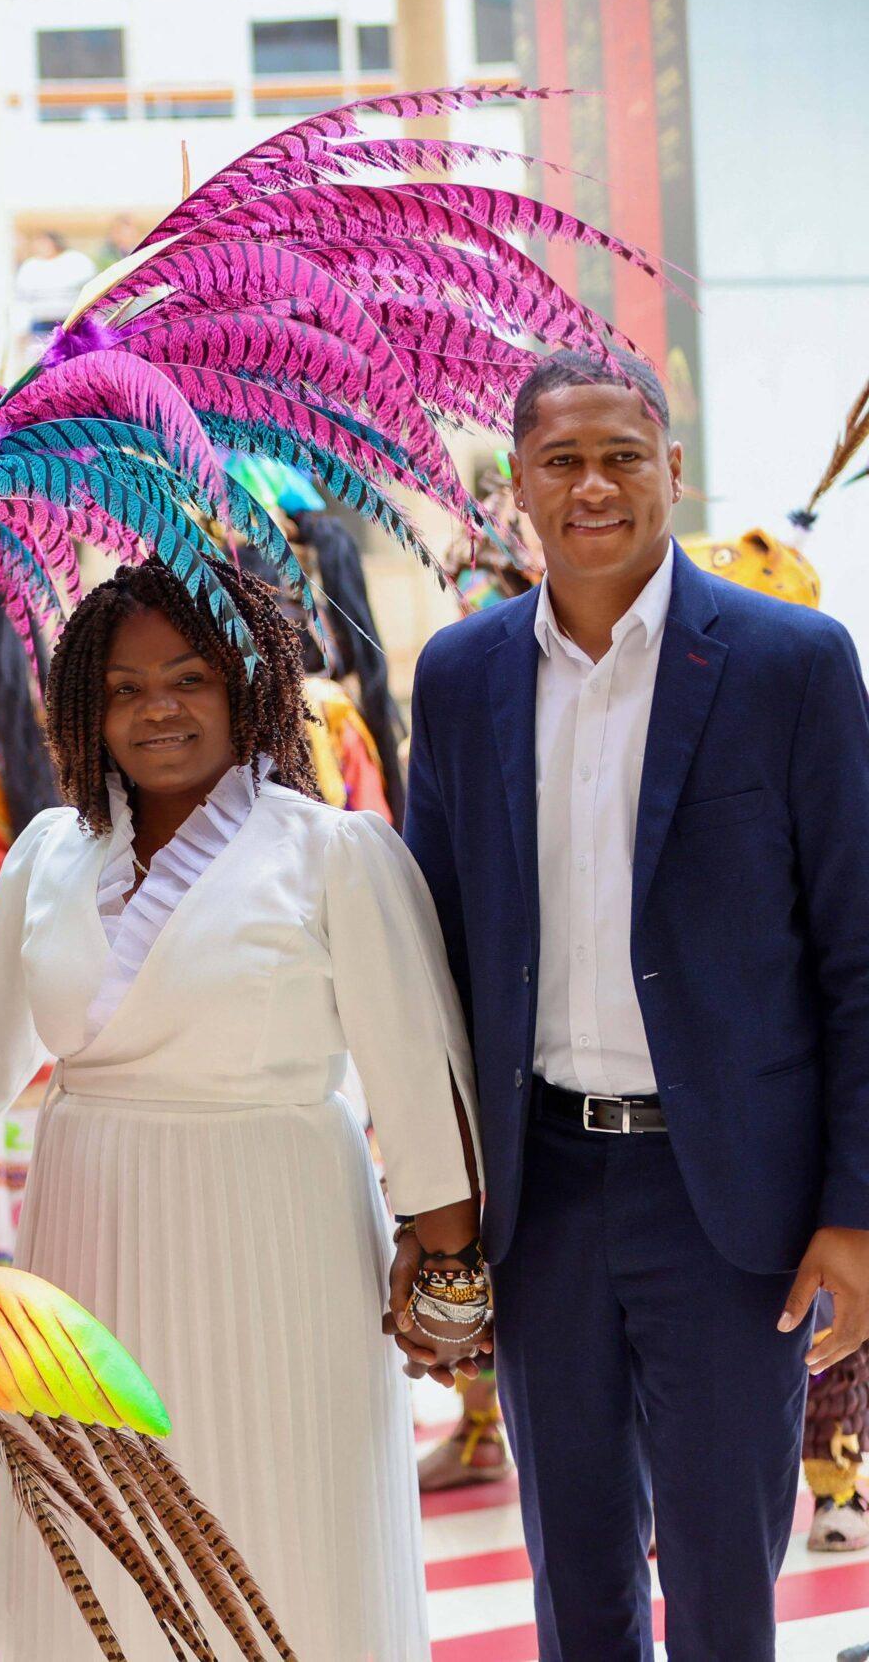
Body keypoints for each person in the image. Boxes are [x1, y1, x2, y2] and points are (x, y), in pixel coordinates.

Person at [0, 558, 483, 1661]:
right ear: (87, 708)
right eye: (125, 689)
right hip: (87, 1239)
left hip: (284, 1242)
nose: (158, 710)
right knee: (98, 1539)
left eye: (187, 679)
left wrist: (449, 1264)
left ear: (246, 686)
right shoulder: (47, 854)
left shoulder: (331, 853)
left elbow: (416, 1070)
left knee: (286, 1521)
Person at [403, 347, 869, 1660]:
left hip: (728, 1201)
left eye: (622, 456)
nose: (594, 484)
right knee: (579, 1578)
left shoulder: (792, 665)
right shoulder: (462, 680)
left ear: (672, 470)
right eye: (562, 460)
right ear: (520, 492)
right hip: (541, 1191)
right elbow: (425, 961)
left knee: (727, 1579)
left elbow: (856, 955)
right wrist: (433, 1208)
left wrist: (855, 1213)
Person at [11, 229, 97, 347]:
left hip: (70, 321)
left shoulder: (76, 261)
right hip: (41, 324)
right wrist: (21, 328)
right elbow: (22, 300)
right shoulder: (30, 267)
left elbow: (90, 289)